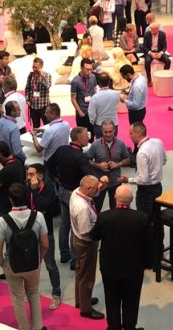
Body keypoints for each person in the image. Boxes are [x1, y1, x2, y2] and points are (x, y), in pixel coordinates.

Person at [90, 185, 150, 330]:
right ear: (132, 200)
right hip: (133, 268)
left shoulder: (104, 217)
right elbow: (148, 244)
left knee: (112, 299)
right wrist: (148, 264)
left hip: (110, 267)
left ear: (115, 198)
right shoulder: (142, 218)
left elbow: (94, 236)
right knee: (131, 300)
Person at [0, 182, 49, 330]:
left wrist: (3, 265)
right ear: (26, 197)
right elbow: (45, 244)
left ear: (10, 199)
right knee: (33, 293)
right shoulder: (38, 216)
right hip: (33, 263)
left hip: (12, 265)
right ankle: (38, 329)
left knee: (18, 298)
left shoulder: (2, 221)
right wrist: (39, 259)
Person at [52, 127, 92, 268]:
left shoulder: (61, 150)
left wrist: (57, 178)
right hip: (75, 194)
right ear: (79, 138)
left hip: (62, 190)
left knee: (64, 224)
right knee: (75, 227)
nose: (88, 137)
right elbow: (88, 177)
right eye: (86, 135)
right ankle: (74, 260)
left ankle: (64, 254)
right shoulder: (80, 157)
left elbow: (49, 164)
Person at [70, 175, 108, 320]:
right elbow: (86, 231)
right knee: (87, 275)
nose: (98, 190)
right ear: (88, 189)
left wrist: (101, 185)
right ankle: (85, 309)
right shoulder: (82, 208)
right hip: (86, 243)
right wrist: (102, 232)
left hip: (77, 239)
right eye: (96, 188)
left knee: (80, 271)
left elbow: (94, 190)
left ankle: (81, 300)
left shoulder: (77, 192)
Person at [26, 163, 62, 310]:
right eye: (28, 174)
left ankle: (56, 293)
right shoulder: (27, 187)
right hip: (30, 233)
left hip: (45, 232)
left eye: (31, 174)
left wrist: (34, 191)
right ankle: (30, 292)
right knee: (32, 265)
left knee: (50, 264)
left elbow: (40, 207)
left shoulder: (48, 189)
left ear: (40, 175)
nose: (28, 177)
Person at [120, 122, 166, 217]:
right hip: (158, 187)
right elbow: (164, 160)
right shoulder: (158, 142)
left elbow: (143, 179)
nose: (129, 136)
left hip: (146, 192)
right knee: (156, 216)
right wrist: (155, 169)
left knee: (144, 218)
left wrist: (128, 180)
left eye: (131, 133)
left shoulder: (142, 152)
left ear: (139, 133)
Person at [87, 120, 130, 211]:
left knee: (115, 209)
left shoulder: (121, 143)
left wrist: (118, 164)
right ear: (101, 131)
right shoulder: (95, 145)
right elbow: (87, 160)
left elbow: (127, 159)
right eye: (105, 132)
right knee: (96, 209)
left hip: (115, 181)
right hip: (100, 182)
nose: (108, 134)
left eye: (110, 131)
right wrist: (98, 165)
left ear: (114, 130)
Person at [31, 103, 70, 178]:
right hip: (63, 158)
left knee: (49, 181)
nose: (45, 114)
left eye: (46, 112)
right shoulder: (66, 124)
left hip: (50, 161)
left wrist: (34, 136)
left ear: (53, 114)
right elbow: (56, 132)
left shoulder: (49, 131)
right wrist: (42, 130)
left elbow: (39, 149)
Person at [0, 141, 26, 216]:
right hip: (18, 201)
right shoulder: (18, 160)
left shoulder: (6, 170)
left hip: (6, 206)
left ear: (0, 154)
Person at [70, 57, 97, 139]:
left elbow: (94, 91)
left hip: (92, 111)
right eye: (87, 69)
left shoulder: (93, 77)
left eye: (91, 69)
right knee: (81, 136)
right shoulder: (75, 81)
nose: (89, 72)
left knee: (92, 135)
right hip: (82, 112)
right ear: (81, 68)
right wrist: (80, 112)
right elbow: (73, 98)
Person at [88, 73, 120, 139]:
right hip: (113, 123)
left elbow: (92, 113)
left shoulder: (95, 97)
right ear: (109, 81)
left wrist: (92, 122)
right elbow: (117, 105)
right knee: (113, 143)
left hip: (100, 124)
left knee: (100, 144)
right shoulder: (116, 94)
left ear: (98, 83)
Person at [25, 57, 52, 128]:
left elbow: (48, 86)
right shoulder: (31, 75)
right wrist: (27, 99)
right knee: (36, 127)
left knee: (47, 125)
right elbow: (27, 88)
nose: (34, 69)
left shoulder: (47, 75)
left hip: (44, 105)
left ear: (41, 66)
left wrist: (42, 76)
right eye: (33, 67)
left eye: (36, 67)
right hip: (33, 106)